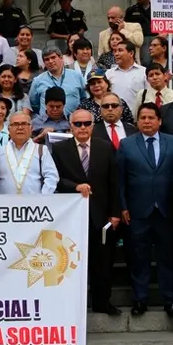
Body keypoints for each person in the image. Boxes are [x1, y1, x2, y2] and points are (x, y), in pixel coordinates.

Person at [113, 101, 173, 317]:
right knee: (138, 257)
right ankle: (139, 299)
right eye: (143, 118)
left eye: (151, 117)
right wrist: (122, 206)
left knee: (168, 258)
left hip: (167, 211)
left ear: (159, 121)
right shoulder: (127, 144)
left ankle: (170, 300)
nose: (147, 121)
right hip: (137, 211)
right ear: (137, 121)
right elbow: (120, 180)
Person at [53, 109, 121, 314]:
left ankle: (102, 302)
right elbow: (55, 179)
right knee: (70, 262)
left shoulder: (106, 147)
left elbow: (114, 182)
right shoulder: (59, 149)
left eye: (86, 123)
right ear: (70, 126)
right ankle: (73, 306)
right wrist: (74, 186)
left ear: (92, 125)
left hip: (101, 215)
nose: (82, 128)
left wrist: (115, 213)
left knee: (103, 261)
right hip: (71, 217)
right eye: (78, 124)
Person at [0, 110, 58, 195]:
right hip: (6, 205)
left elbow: (51, 177)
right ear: (9, 129)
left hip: (35, 206)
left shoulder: (41, 150)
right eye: (16, 124)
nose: (20, 128)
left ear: (31, 128)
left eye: (24, 124)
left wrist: (43, 198)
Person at [29, 48, 86, 116]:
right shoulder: (38, 80)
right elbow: (34, 105)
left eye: (53, 57)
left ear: (61, 58)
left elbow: (83, 98)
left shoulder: (77, 76)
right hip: (47, 124)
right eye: (47, 59)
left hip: (73, 123)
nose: (50, 61)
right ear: (44, 63)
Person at [105, 40, 146, 112]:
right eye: (115, 51)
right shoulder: (108, 73)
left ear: (131, 53)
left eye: (120, 50)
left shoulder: (144, 72)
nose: (116, 54)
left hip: (136, 118)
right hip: (114, 117)